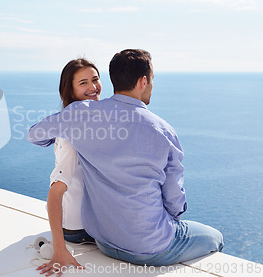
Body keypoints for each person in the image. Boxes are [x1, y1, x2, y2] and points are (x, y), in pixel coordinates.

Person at [28, 49, 223, 267]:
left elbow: (34, 134)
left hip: (104, 241)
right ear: (143, 81)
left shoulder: (80, 114)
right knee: (216, 238)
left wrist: (65, 129)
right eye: (152, 80)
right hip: (150, 247)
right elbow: (174, 201)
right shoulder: (163, 131)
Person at [37, 59, 101, 276]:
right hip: (78, 230)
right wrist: (60, 249)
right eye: (83, 83)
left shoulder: (90, 121)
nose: (92, 87)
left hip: (85, 224)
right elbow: (56, 192)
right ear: (71, 91)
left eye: (95, 79)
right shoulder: (73, 132)